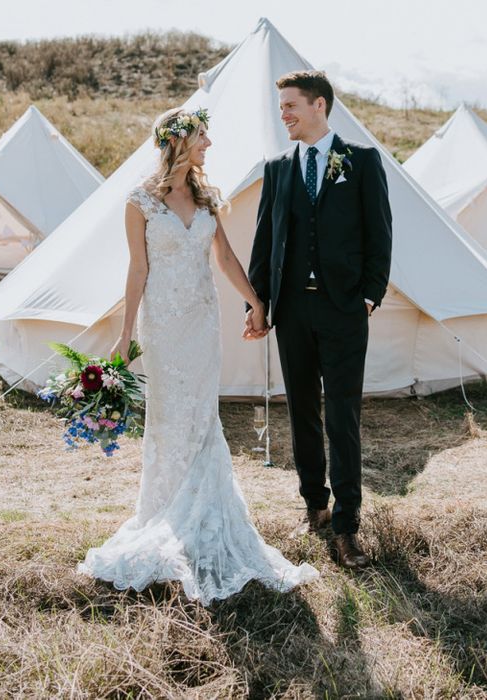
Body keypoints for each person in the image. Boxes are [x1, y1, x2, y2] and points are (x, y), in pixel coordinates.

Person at [77, 107, 319, 605]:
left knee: (203, 418)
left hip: (202, 324)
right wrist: (125, 337)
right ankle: (165, 512)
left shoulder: (207, 198)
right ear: (179, 142)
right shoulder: (140, 201)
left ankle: (207, 514)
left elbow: (225, 258)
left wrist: (256, 302)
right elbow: (137, 270)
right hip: (163, 328)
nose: (209, 144)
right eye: (203, 136)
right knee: (169, 419)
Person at [245, 71, 393, 568]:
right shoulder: (277, 168)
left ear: (319, 106)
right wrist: (258, 302)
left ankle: (349, 525)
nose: (282, 113)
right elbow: (265, 241)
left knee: (342, 416)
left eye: (290, 105)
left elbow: (380, 234)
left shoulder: (363, 161)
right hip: (293, 311)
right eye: (280, 105)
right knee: (302, 411)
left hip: (344, 309)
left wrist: (369, 297)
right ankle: (315, 505)